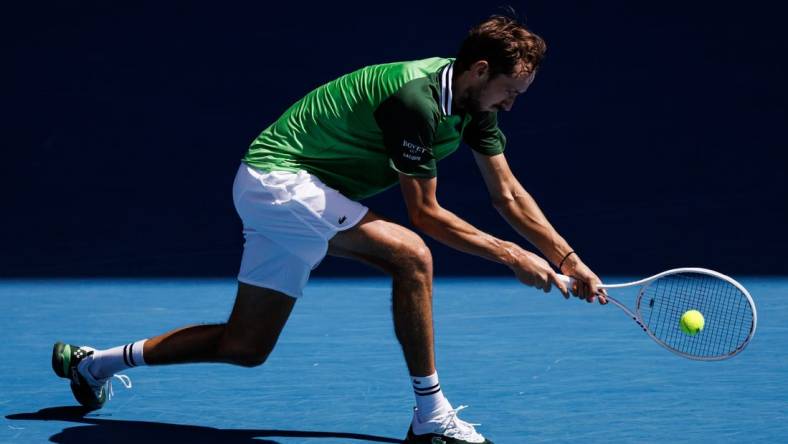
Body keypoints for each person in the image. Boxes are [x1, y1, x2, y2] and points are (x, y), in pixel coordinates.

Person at [52, 14, 607, 444]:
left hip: (306, 194)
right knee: (411, 254)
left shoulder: (473, 105)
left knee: (245, 346)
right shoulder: (414, 100)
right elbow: (426, 214)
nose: (511, 105)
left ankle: (92, 363)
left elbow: (506, 193)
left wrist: (567, 259)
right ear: (479, 69)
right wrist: (512, 257)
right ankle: (431, 417)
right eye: (509, 90)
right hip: (280, 179)